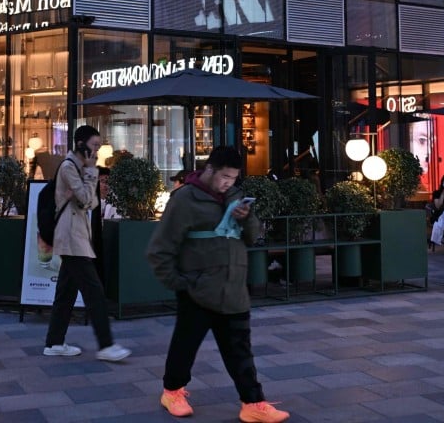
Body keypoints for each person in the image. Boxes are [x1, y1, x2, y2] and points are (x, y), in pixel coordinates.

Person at [147, 146, 290, 422]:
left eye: (233, 178)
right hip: (197, 287)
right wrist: (179, 282)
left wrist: (246, 218)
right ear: (209, 169)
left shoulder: (236, 197)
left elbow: (252, 237)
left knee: (240, 349)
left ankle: (253, 402)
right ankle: (172, 391)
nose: (228, 183)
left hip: (233, 286)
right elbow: (160, 247)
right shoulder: (185, 199)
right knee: (185, 345)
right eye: (224, 176)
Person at [43, 125, 131, 362]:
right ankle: (106, 345)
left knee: (66, 292)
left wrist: (86, 184)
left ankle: (54, 342)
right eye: (94, 146)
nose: (97, 151)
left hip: (76, 235)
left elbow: (90, 203)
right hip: (71, 237)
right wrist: (91, 173)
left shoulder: (78, 168)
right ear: (81, 144)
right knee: (94, 292)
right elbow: (86, 201)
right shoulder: (70, 167)